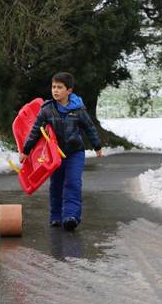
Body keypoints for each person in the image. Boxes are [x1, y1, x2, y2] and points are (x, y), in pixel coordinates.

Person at [20, 72, 103, 231]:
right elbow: (35, 131)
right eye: (53, 87)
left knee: (73, 182)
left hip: (75, 153)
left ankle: (71, 216)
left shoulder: (78, 110)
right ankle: (56, 216)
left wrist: (97, 146)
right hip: (54, 155)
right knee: (56, 184)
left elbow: (89, 128)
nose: (55, 90)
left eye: (59, 87)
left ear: (69, 91)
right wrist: (26, 150)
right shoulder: (46, 109)